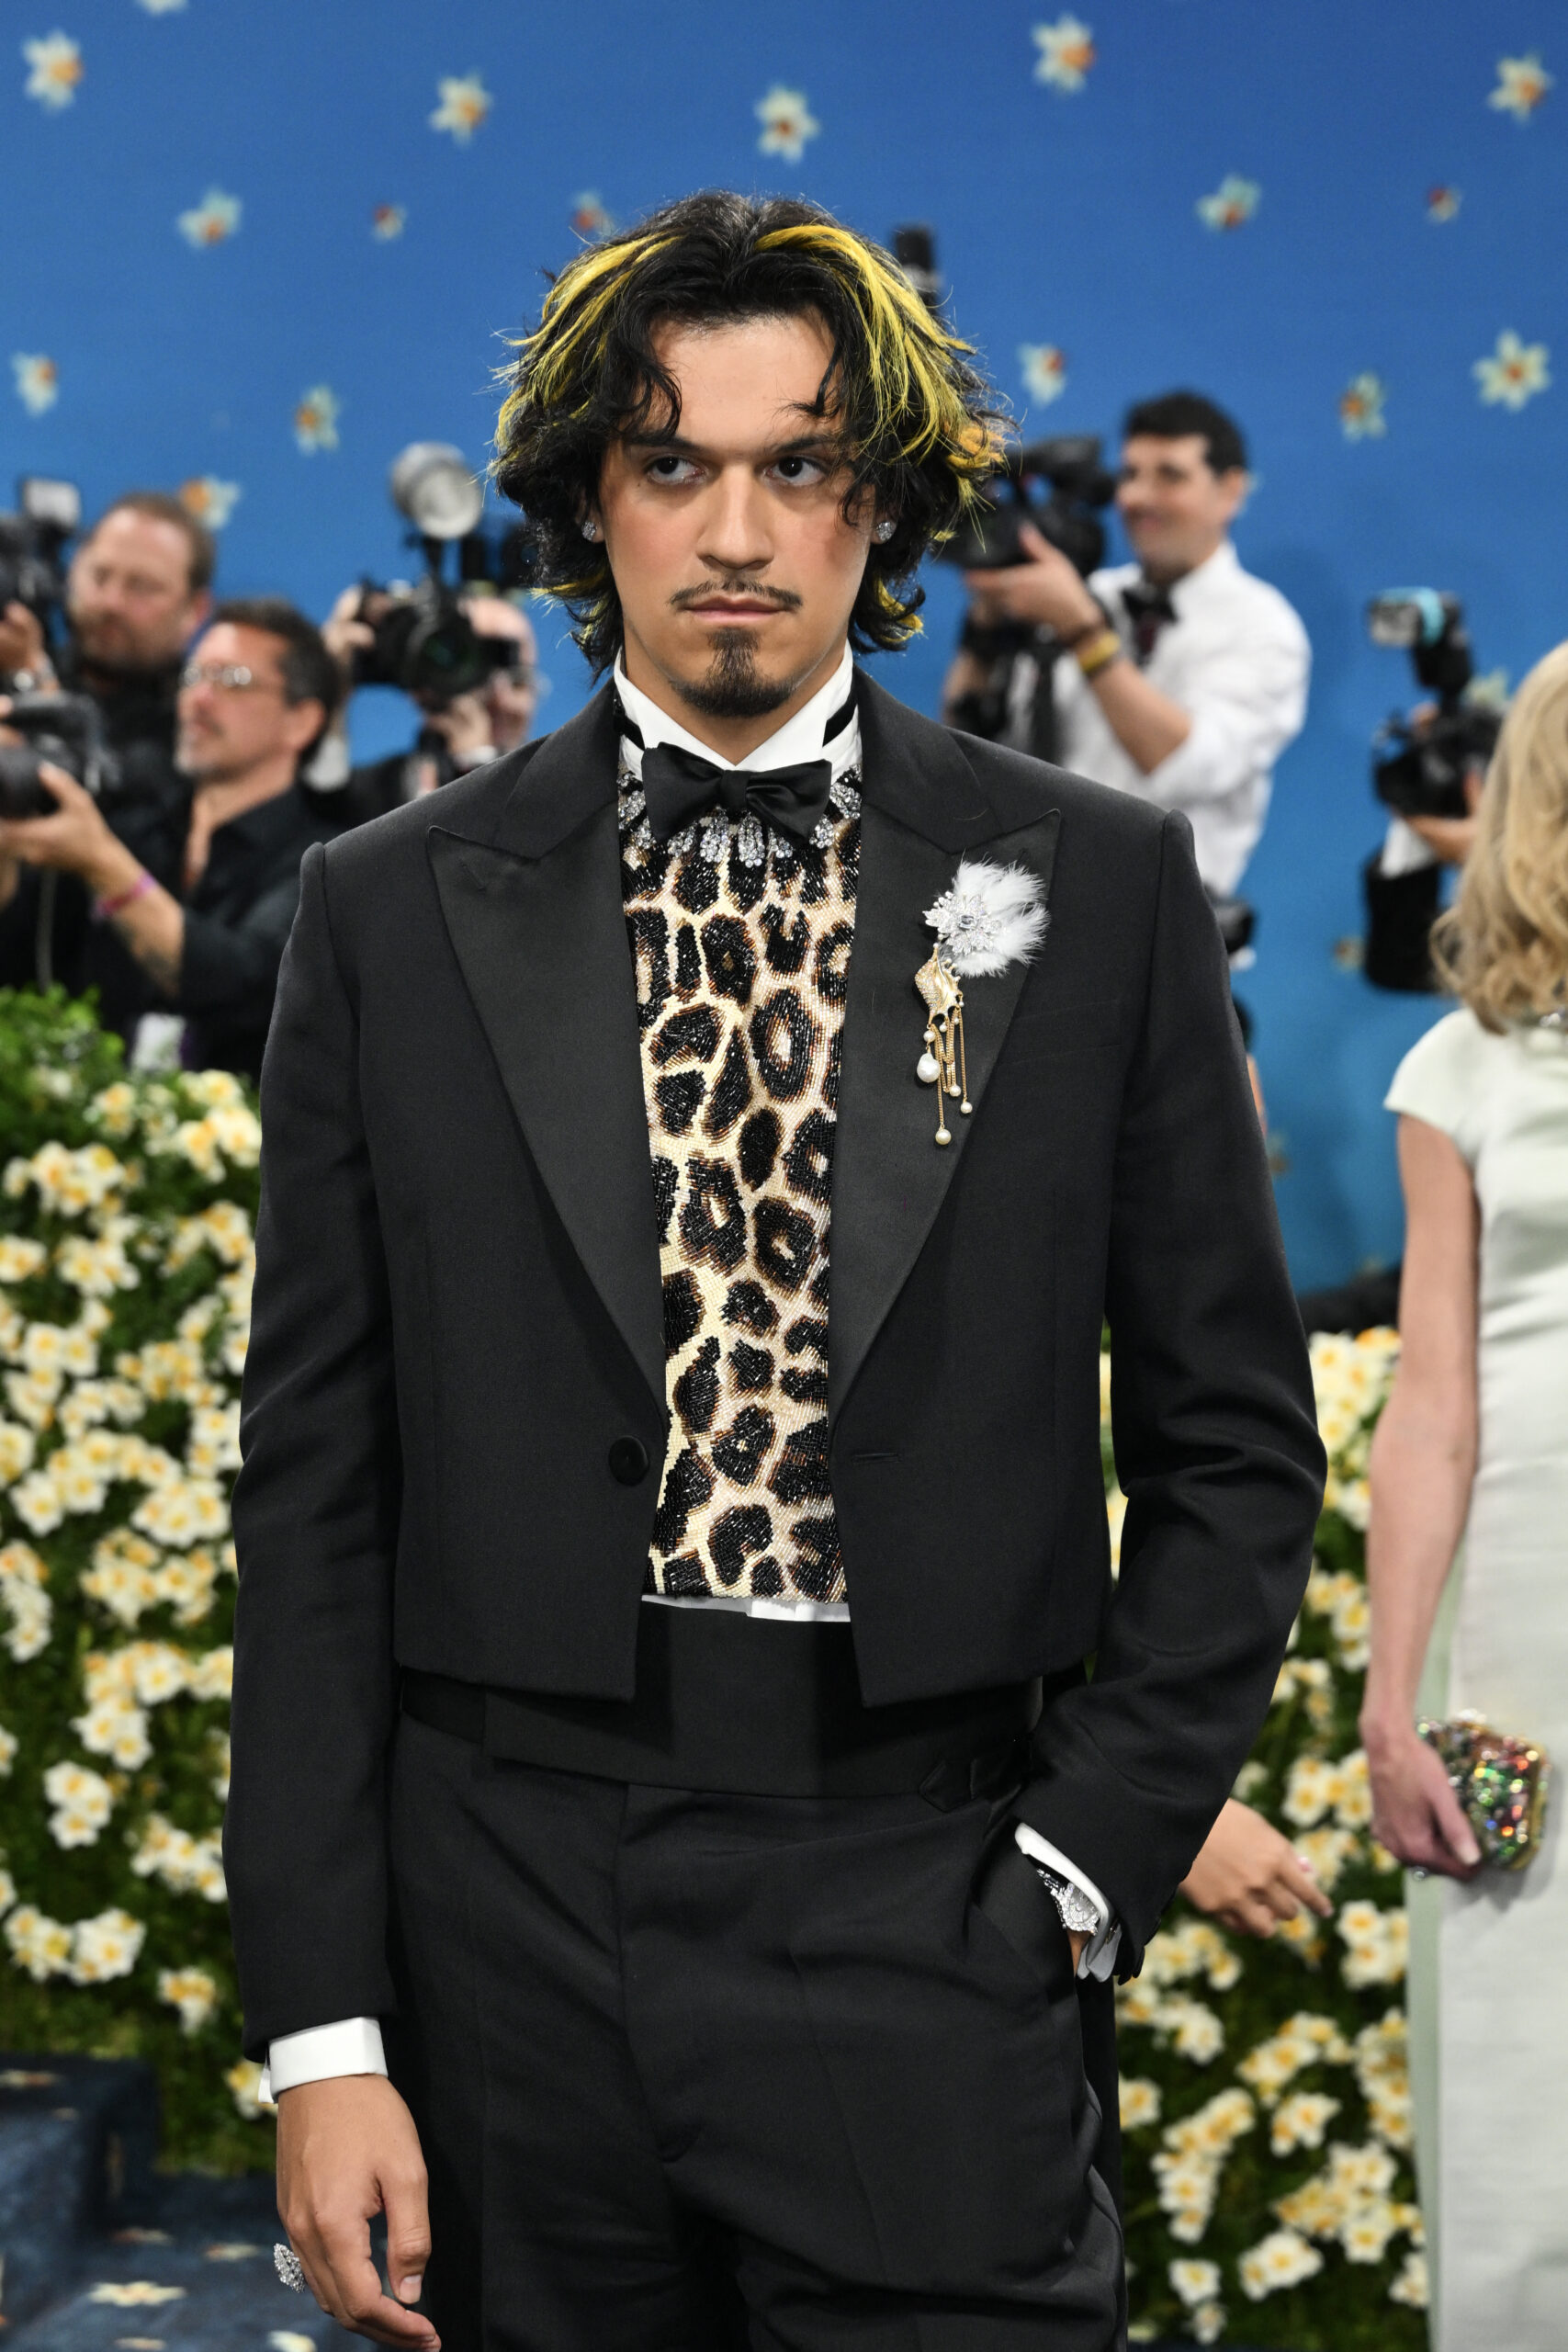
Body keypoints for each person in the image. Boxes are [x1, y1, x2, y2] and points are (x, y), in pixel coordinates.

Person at [226, 192, 1324, 2352]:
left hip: (932, 1888)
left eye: (797, 461)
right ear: (582, 503)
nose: (733, 528)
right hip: (503, 1915)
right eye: (670, 461)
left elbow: (1229, 1442)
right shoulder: (381, 905)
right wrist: (325, 2035)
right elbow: (314, 1495)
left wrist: (1078, 1864)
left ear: (879, 497)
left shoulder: (1095, 884)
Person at [1362, 640, 1568, 2352]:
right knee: (1523, 2099)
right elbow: (1429, 1402)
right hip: (1523, 1613)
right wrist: (1389, 1704)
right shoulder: (1461, 1071)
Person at [942, 391, 1309, 899]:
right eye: (1130, 475)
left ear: (1231, 491)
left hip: (1172, 925)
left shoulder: (1264, 626)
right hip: (1036, 908)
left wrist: (1082, 632)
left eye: (1170, 476)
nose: (1138, 498)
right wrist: (986, 621)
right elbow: (972, 736)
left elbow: (1185, 765)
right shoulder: (1092, 594)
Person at [0, 598, 341, 1078]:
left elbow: (246, 982)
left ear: (301, 721)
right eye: (194, 676)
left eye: (231, 680)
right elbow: (22, 948)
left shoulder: (328, 863)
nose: (199, 698)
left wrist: (104, 865)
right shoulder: (135, 827)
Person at [0, 489, 216, 811]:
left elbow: (110, 819)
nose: (111, 602)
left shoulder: (198, 724)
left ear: (195, 611)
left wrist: (29, 681)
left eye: (142, 587)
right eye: (99, 576)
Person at [312, 589, 540, 820]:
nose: (498, 696)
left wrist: (477, 764)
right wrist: (329, 695)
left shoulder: (556, 796)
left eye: (517, 681)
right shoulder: (382, 792)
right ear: (423, 683)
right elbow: (315, 815)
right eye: (470, 670)